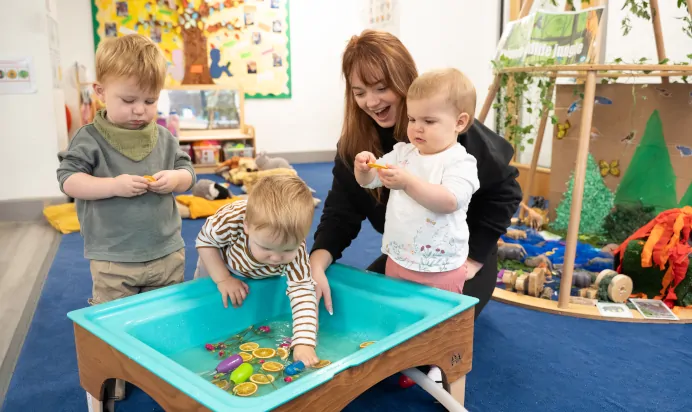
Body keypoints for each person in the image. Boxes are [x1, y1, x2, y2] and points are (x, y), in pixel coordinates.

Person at [310, 29, 522, 320]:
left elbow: (505, 190)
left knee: (432, 327)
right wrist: (317, 263)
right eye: (360, 93)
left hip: (455, 257)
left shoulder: (449, 132)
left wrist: (474, 257)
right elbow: (340, 212)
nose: (371, 102)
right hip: (407, 254)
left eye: (381, 88)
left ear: (404, 81)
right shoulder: (358, 146)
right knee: (367, 314)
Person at [56, 33, 196, 400]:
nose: (140, 110)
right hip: (113, 258)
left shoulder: (164, 138)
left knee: (164, 317)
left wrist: (175, 179)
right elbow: (69, 181)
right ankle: (116, 374)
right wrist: (112, 185)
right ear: (101, 92)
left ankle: (160, 369)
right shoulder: (89, 138)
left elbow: (188, 173)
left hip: (166, 252)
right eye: (129, 100)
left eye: (150, 100)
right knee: (114, 322)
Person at [354, 67, 480, 385]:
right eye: (412, 119)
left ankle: (438, 366)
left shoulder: (460, 162)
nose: (417, 128)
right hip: (399, 258)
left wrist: (408, 182)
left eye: (429, 121)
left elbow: (449, 200)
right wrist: (365, 169)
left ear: (460, 123)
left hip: (441, 265)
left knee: (441, 323)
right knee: (401, 315)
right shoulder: (402, 152)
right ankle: (405, 357)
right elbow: (370, 182)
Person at [194, 175, 320, 367]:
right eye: (267, 248)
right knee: (204, 295)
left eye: (287, 249)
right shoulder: (230, 219)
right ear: (247, 226)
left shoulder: (297, 250)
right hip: (220, 262)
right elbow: (204, 242)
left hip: (259, 273)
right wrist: (223, 279)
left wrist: (304, 341)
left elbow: (302, 290)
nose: (277, 258)